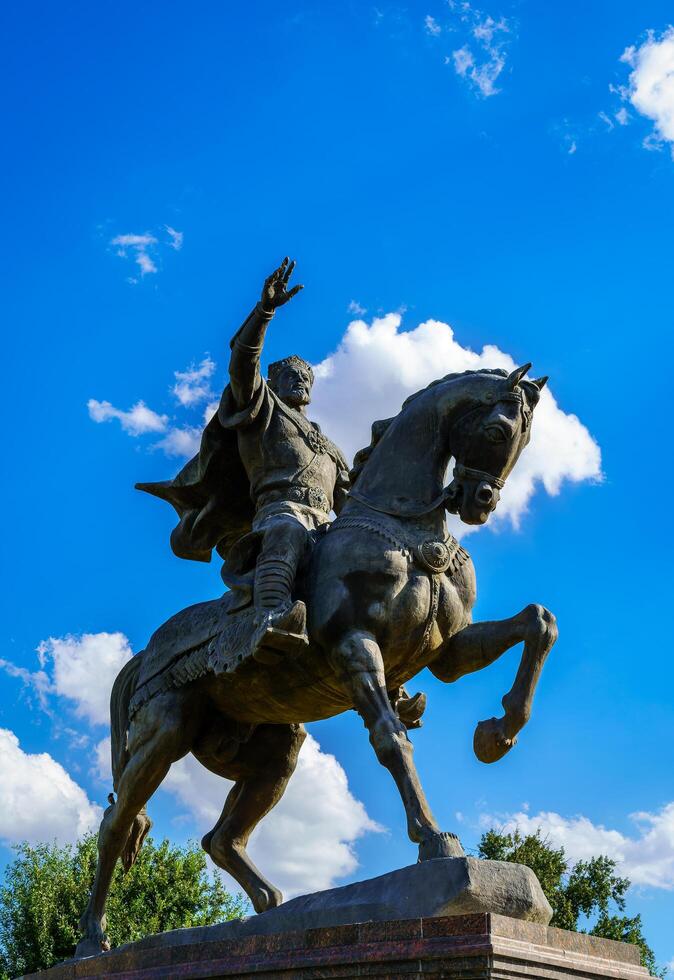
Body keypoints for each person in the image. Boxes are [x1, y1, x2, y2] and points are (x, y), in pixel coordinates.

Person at [137, 258, 350, 662]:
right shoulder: (260, 407)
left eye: (306, 377)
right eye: (290, 375)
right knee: (288, 531)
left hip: (326, 526)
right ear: (272, 381)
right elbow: (242, 360)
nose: (300, 381)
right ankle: (270, 615)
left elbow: (352, 501)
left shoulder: (329, 447)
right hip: (279, 513)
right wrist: (264, 311)